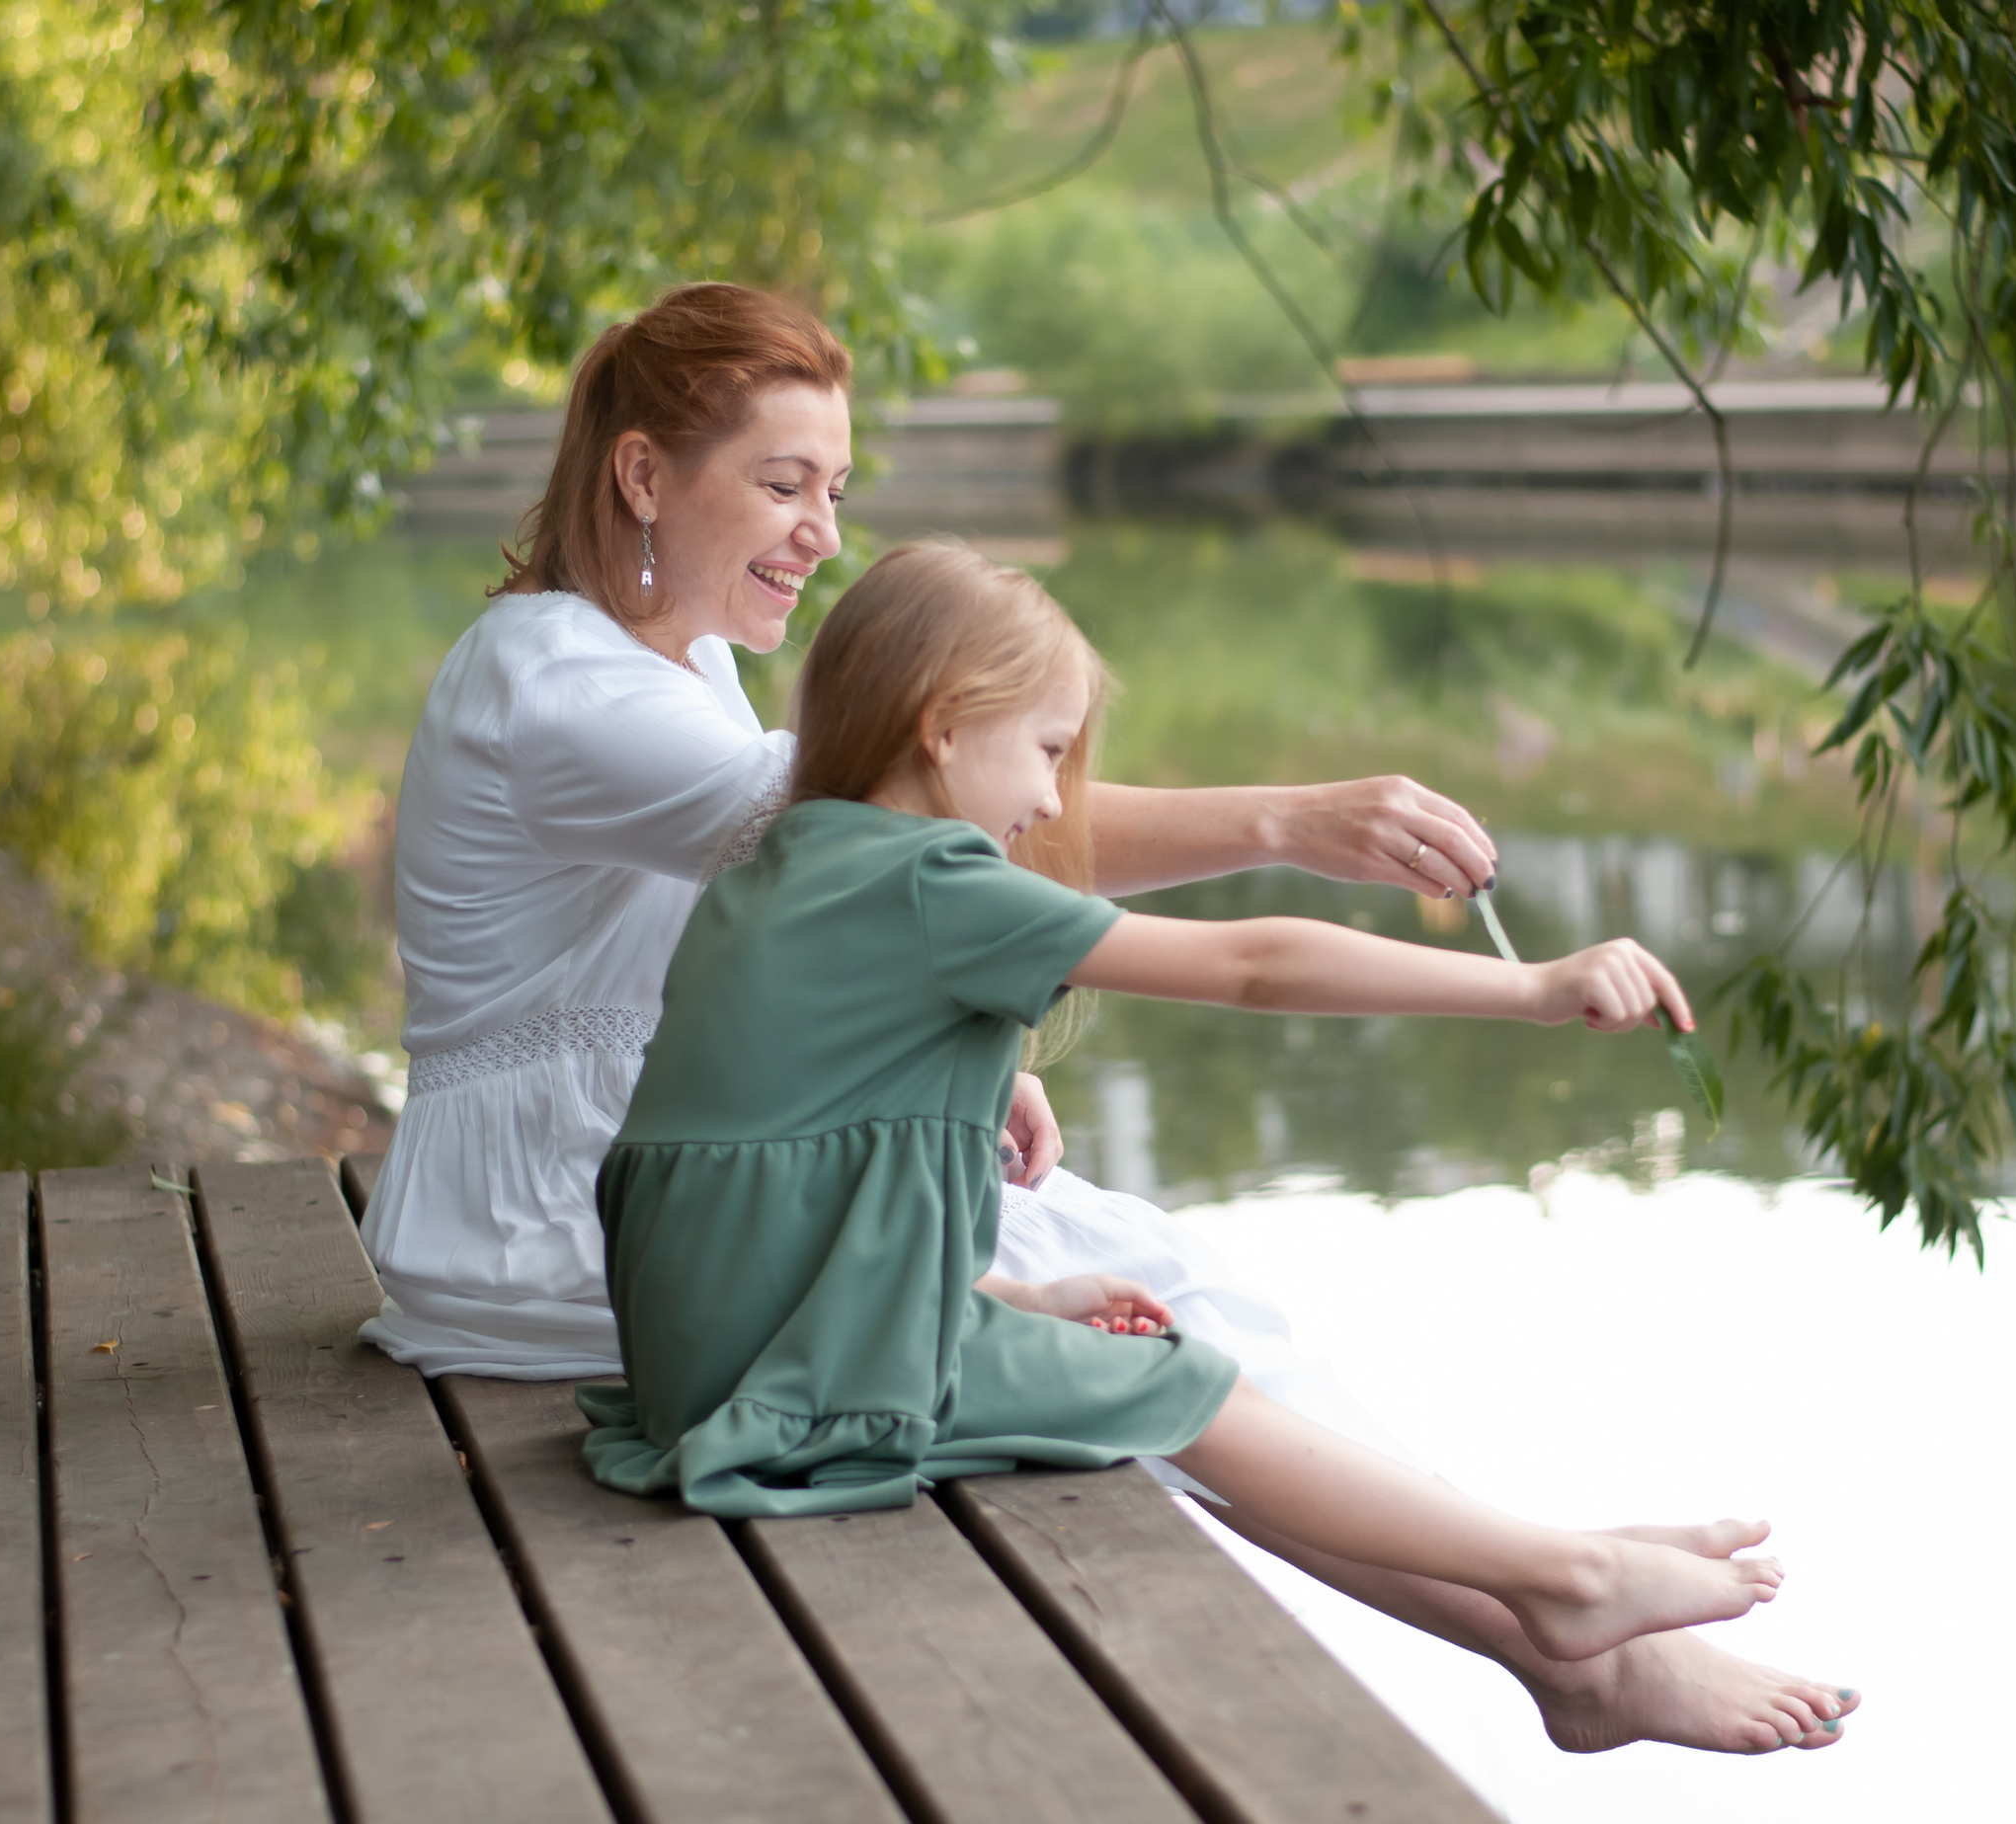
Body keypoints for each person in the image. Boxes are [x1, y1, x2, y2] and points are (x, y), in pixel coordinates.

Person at [359, 279, 1852, 1754]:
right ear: (642, 474)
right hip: (543, 1210)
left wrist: (945, 1053)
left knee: (1149, 1284)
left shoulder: (662, 665)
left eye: (835, 486)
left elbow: (773, 926)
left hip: (664, 1168)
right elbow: (876, 825)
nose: (822, 529)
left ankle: (1545, 1620)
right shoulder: (561, 685)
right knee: (1162, 1301)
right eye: (783, 483)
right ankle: (1552, 1616)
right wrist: (1292, 816)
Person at [585, 540, 1857, 1752]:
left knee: (1144, 1358)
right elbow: (1252, 966)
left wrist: (1012, 1294)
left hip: (717, 1344)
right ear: (943, 724)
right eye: (1045, 752)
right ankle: (1562, 1579)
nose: (1047, 800)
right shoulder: (930, 881)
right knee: (1188, 1389)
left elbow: (796, 1171)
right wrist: (1527, 990)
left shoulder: (796, 862)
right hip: (787, 1379)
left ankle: (1540, 1572)